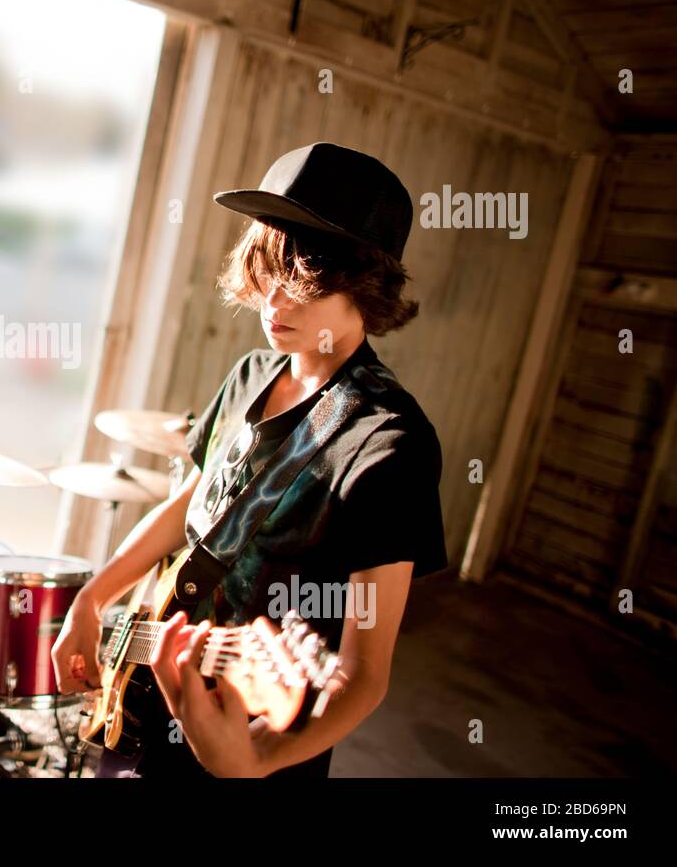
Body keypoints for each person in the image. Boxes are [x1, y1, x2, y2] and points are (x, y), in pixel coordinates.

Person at [52, 143, 448, 777]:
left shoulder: (390, 444)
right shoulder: (249, 374)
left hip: (254, 734)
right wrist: (93, 599)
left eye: (302, 284)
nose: (274, 304)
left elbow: (365, 674)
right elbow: (196, 502)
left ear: (366, 286)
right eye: (267, 274)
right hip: (143, 700)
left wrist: (260, 759)